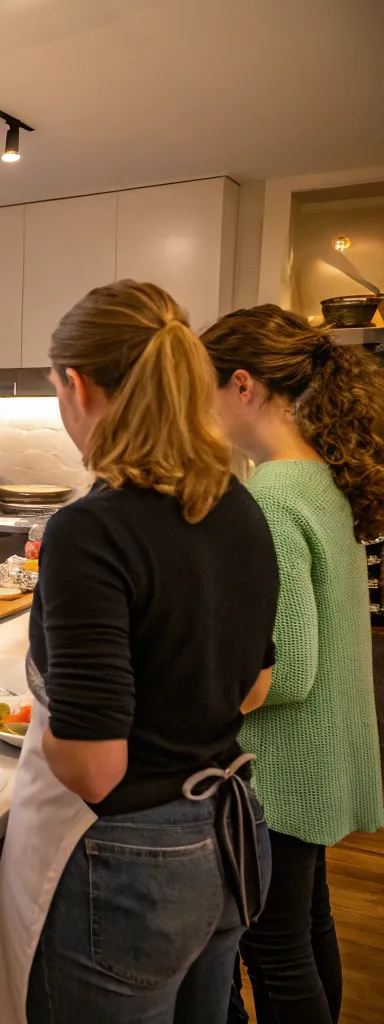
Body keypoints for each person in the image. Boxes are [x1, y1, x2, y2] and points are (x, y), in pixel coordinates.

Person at [0, 280, 279, 1024]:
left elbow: (94, 765)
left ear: (77, 385)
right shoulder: (238, 506)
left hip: (132, 867)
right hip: (229, 842)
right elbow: (254, 689)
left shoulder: (91, 528)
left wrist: (53, 723)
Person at [202, 306, 384, 1024]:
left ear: (241, 386)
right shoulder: (323, 479)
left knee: (274, 951)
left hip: (283, 774)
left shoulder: (273, 497)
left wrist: (197, 693)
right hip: (327, 757)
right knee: (310, 931)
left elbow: (291, 668)